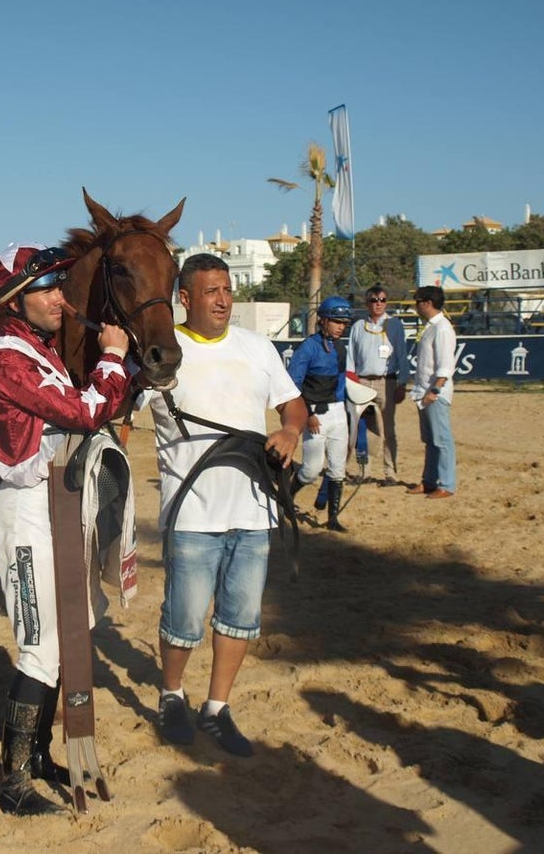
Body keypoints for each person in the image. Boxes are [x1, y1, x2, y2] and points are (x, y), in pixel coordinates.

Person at [0, 243, 132, 815]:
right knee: (40, 645)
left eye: (62, 286)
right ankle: (13, 779)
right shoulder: (6, 359)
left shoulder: (38, 353)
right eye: (48, 288)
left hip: (60, 505)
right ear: (16, 300)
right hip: (27, 509)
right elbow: (85, 411)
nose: (61, 298)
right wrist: (113, 358)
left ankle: (38, 756)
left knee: (69, 636)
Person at [146, 253, 304, 758]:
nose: (223, 300)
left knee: (239, 616)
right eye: (211, 291)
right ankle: (172, 696)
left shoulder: (257, 348)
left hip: (254, 511)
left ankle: (216, 708)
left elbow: (292, 403)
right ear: (185, 299)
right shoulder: (161, 352)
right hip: (192, 513)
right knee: (185, 617)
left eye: (228, 289)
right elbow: (117, 409)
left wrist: (290, 429)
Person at [288, 296, 355, 531]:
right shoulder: (308, 347)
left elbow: (341, 382)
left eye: (344, 323)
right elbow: (293, 385)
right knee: (310, 470)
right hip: (314, 415)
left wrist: (348, 409)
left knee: (338, 469)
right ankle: (285, 497)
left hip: (337, 413)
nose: (340, 326)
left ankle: (332, 519)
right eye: (336, 321)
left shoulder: (340, 347)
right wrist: (306, 414)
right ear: (323, 320)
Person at [345, 285, 408, 486]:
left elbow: (402, 355)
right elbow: (351, 358)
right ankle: (364, 471)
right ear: (367, 303)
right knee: (363, 429)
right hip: (363, 381)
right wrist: (351, 382)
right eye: (374, 300)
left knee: (389, 430)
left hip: (386, 381)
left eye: (382, 299)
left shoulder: (395, 325)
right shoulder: (358, 326)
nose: (378, 303)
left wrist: (402, 383)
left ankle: (391, 473)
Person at [407, 285, 457, 499]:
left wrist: (435, 389)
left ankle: (446, 484)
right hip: (424, 390)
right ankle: (429, 481)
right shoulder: (431, 326)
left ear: (427, 303)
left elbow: (446, 364)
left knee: (442, 440)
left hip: (434, 392)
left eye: (418, 301)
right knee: (430, 439)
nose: (416, 305)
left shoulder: (443, 328)